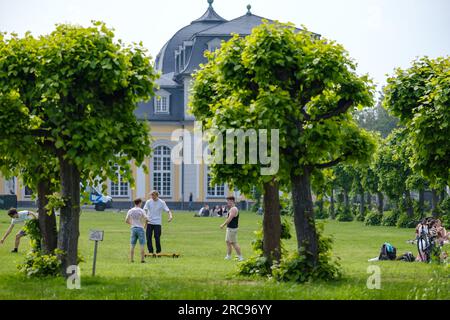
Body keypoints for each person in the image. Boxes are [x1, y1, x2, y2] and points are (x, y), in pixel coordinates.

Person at [220, 196, 243, 261]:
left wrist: (223, 225)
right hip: (230, 228)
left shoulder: (233, 209)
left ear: (232, 201)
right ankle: (228, 256)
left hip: (232, 229)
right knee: (227, 241)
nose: (227, 203)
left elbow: (229, 219)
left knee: (233, 243)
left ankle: (240, 257)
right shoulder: (232, 208)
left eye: (228, 201)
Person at [125, 198, 147, 263]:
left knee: (132, 245)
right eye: (141, 203)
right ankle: (142, 260)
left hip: (133, 228)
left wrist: (132, 224)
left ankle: (131, 259)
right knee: (142, 244)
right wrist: (145, 226)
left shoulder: (130, 210)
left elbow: (126, 220)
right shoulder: (142, 210)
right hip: (140, 228)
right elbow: (146, 218)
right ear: (139, 203)